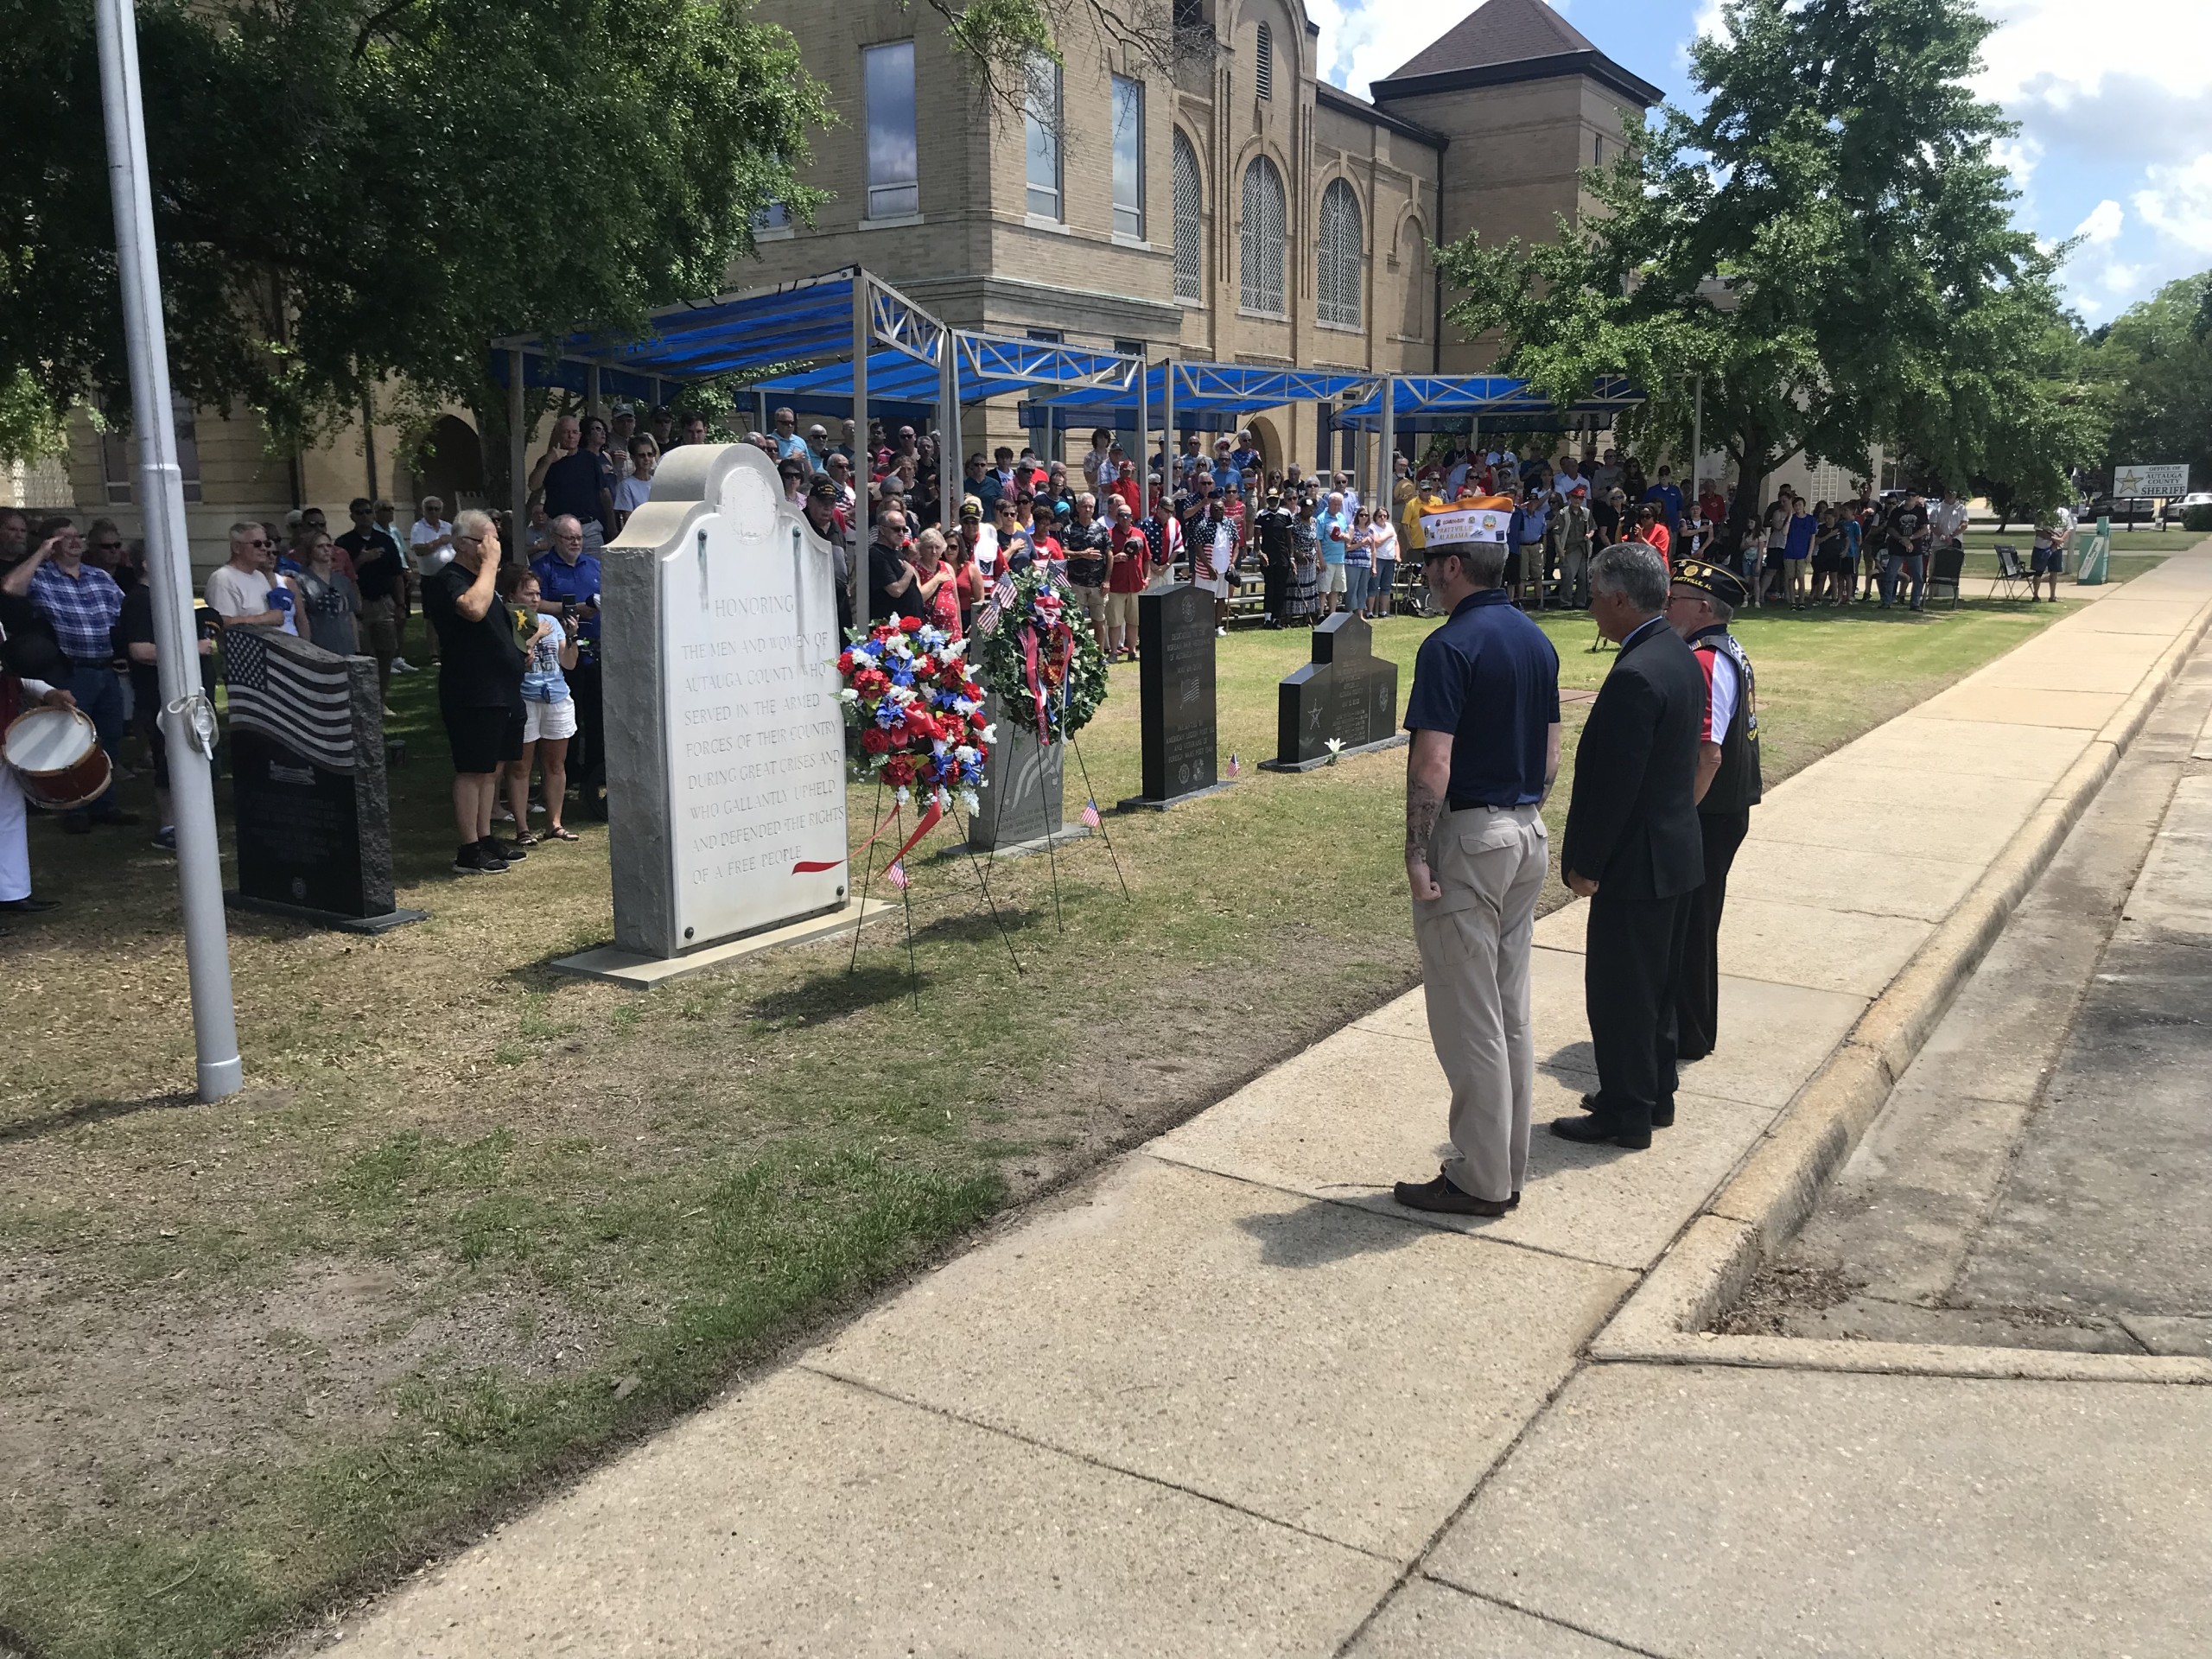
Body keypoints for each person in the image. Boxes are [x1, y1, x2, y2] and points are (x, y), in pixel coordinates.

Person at [1392, 529, 1562, 1217]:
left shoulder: (1449, 646)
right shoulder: (1537, 640)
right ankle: (1506, 1166)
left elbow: (1434, 761)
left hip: (1472, 834)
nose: (1426, 576)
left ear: (1454, 566)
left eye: (1431, 564)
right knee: (1509, 1013)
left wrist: (1416, 849)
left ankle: (1480, 1177)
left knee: (1470, 1021)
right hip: (1525, 828)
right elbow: (1551, 753)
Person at [1553, 543, 1706, 1152]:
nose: (1590, 608)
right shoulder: (1676, 654)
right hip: (1673, 853)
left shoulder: (1638, 674)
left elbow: (1615, 785)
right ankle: (1653, 1091)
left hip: (1636, 864)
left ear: (1619, 598)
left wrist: (1586, 865)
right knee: (1658, 988)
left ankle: (1625, 1112)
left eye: (1594, 596)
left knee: (1622, 994)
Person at [1665, 557, 1762, 1063]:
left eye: (1675, 598)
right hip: (1725, 807)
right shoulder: (1726, 650)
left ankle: (1691, 1032)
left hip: (1710, 811)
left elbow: (1709, 753)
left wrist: (1682, 816)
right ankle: (1694, 1027)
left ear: (1702, 608)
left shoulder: (1705, 658)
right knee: (1699, 921)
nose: (1667, 606)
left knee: (1693, 924)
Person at [1, 518, 137, 832]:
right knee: (69, 743)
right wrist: (41, 554)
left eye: (79, 536)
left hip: (105, 668)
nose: (76, 542)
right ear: (50, 543)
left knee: (109, 738)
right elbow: (9, 588)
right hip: (69, 670)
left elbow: (124, 613)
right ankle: (75, 808)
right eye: (66, 538)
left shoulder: (99, 576)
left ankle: (105, 803)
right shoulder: (40, 577)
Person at [423, 508, 529, 874]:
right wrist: (490, 566)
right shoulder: (449, 579)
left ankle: (484, 837)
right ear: (463, 543)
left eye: (496, 539)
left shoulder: (485, 580)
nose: (494, 547)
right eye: (487, 539)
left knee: (491, 769)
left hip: (502, 690)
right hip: (472, 690)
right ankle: (468, 848)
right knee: (473, 769)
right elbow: (473, 609)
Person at [495, 568, 579, 844]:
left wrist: (573, 637)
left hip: (556, 695)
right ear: (512, 595)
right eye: (528, 593)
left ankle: (555, 823)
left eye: (538, 594)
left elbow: (568, 663)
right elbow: (514, 662)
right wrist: (533, 638)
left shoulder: (550, 622)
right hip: (525, 698)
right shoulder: (506, 622)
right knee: (520, 766)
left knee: (556, 764)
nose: (534, 599)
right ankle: (522, 828)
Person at [294, 531, 363, 659]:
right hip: (320, 646)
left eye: (328, 545)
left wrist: (357, 648)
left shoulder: (342, 580)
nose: (325, 549)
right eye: (319, 546)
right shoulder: (301, 581)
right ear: (310, 550)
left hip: (347, 645)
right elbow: (301, 618)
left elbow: (351, 615)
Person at [1063, 492, 1112, 654]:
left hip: (1098, 585)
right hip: (1076, 583)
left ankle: (1099, 656)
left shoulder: (1101, 529)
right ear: (1077, 508)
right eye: (1084, 506)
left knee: (1099, 622)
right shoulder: (1070, 529)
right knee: (1076, 622)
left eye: (1091, 507)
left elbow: (1109, 554)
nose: (1088, 509)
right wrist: (1082, 554)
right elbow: (1063, 552)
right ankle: (1077, 655)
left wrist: (1107, 580)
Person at [1104, 495, 1152, 661]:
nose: (1125, 518)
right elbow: (1103, 559)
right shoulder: (1109, 534)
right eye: (1122, 515)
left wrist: (1147, 578)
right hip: (1117, 585)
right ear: (1116, 517)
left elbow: (1146, 558)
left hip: (1136, 584)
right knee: (1115, 622)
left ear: (1132, 518)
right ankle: (1113, 653)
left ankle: (1132, 651)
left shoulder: (1139, 534)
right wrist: (1115, 558)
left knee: (1134, 621)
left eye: (1128, 516)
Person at [868, 509, 923, 623]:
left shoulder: (898, 553)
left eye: (904, 529)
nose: (901, 533)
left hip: (909, 627)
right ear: (882, 530)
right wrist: (909, 571)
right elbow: (896, 590)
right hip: (891, 630)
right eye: (896, 529)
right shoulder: (876, 553)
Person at [1879, 491, 1930, 610]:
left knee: (1918, 577)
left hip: (1915, 548)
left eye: (1913, 495)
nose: (1910, 498)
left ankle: (1915, 603)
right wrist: (1902, 539)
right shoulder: (1897, 512)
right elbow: (1890, 528)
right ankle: (1886, 601)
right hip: (1897, 548)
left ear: (1917, 497)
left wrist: (1910, 538)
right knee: (1890, 575)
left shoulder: (1921, 511)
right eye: (1908, 495)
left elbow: (1924, 529)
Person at [1552, 484, 1593, 609]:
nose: (1577, 500)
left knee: (1583, 578)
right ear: (1570, 498)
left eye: (1580, 498)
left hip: (1583, 548)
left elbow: (1593, 528)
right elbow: (1556, 532)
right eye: (1575, 497)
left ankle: (1580, 602)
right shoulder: (1563, 512)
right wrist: (1560, 550)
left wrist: (1589, 535)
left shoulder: (1586, 512)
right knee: (1568, 577)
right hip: (1568, 549)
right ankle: (1566, 603)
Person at [1313, 489, 1350, 614]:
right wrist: (1321, 559)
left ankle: (1333, 613)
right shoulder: (1322, 518)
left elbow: (1346, 535)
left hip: (1339, 558)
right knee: (1324, 589)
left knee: (1336, 588)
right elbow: (1317, 539)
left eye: (1339, 504)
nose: (1337, 507)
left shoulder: (1342, 518)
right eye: (1335, 504)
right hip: (1327, 559)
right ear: (1329, 503)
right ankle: (1321, 613)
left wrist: (1346, 536)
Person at [613, 435, 658, 530]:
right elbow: (628, 520)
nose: (646, 459)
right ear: (632, 457)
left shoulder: (658, 482)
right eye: (642, 455)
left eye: (649, 454)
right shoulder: (626, 485)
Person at [410, 496, 456, 582]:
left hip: (450, 576)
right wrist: (440, 541)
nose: (433, 512)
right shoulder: (418, 527)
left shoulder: (448, 526)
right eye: (429, 509)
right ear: (423, 511)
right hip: (431, 578)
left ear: (441, 511)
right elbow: (419, 551)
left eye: (436, 509)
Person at [1344, 507, 1375, 616]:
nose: (1364, 517)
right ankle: (1350, 612)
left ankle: (1360, 614)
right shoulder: (1352, 528)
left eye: (1366, 515)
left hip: (1366, 564)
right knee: (1352, 588)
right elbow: (1347, 547)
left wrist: (1374, 566)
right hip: (1352, 563)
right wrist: (1361, 543)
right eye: (1361, 515)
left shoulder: (1370, 531)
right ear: (1357, 516)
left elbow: (1373, 550)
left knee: (1363, 589)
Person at [1643, 464, 1684, 541]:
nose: (1664, 477)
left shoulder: (1675, 490)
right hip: (1656, 525)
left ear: (1670, 475)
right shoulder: (1652, 491)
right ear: (1658, 476)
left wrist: (1680, 522)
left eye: (1666, 474)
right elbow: (1645, 508)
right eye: (1661, 475)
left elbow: (1679, 509)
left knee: (1671, 548)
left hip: (1673, 525)